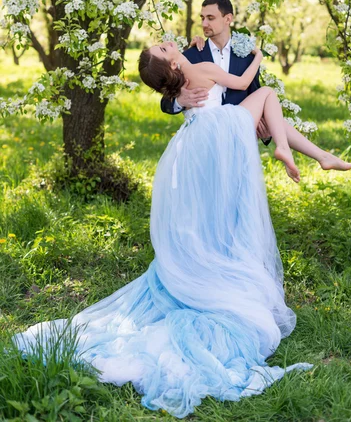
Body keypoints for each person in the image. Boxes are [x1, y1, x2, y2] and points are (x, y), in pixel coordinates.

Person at [13, 39, 316, 419]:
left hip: (195, 141)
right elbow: (239, 85)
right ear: (172, 64)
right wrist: (256, 56)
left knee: (210, 215)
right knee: (267, 93)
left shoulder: (183, 70)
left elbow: (176, 81)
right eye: (163, 46)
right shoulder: (195, 72)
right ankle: (283, 147)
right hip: (218, 131)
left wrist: (182, 54)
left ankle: (295, 159)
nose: (165, 40)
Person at [161, 0, 351, 173]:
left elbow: (252, 92)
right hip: (207, 139)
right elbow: (165, 102)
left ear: (228, 19)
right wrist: (180, 100)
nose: (204, 23)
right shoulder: (191, 55)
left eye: (210, 18)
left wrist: (265, 132)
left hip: (238, 135)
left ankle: (321, 156)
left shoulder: (246, 54)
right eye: (202, 18)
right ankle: (320, 156)